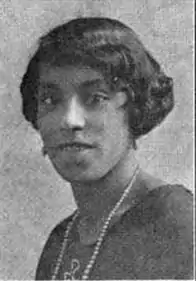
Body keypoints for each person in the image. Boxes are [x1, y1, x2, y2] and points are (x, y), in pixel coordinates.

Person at [20, 17, 193, 280]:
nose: (70, 120)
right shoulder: (61, 240)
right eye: (49, 100)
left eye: (95, 98)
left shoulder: (174, 220)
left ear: (135, 109)